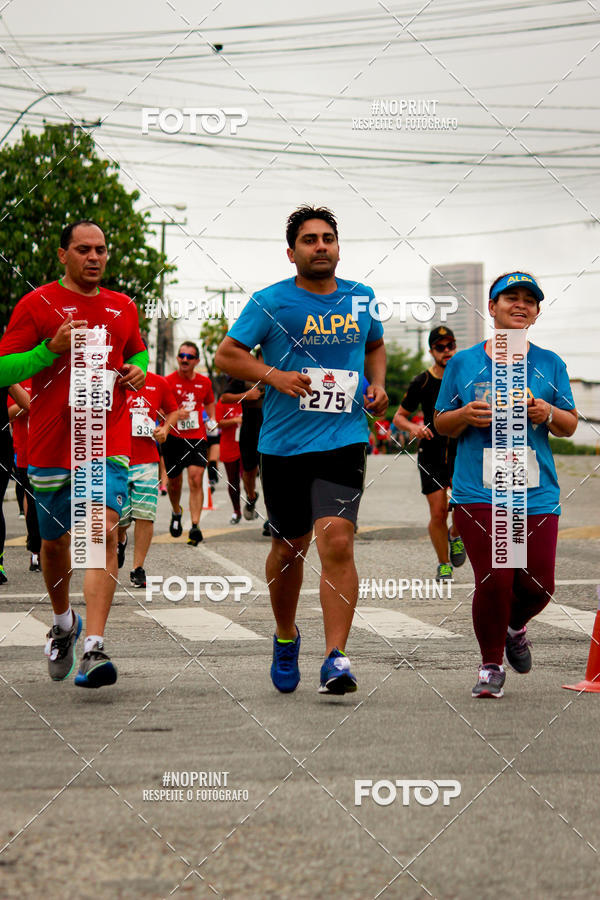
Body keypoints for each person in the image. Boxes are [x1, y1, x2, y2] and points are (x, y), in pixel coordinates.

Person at [215, 205, 387, 695]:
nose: (320, 246)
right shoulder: (270, 301)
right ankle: (286, 635)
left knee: (337, 540)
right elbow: (227, 355)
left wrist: (377, 384)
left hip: (343, 440)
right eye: (309, 240)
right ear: (291, 253)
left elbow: (374, 345)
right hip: (284, 445)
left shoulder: (361, 298)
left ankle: (336, 657)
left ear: (338, 247)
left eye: (328, 238)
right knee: (289, 549)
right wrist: (273, 376)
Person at [0, 219, 147, 688]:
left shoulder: (123, 306)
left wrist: (137, 371)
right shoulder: (36, 303)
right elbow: (4, 367)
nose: (94, 257)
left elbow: (137, 352)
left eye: (100, 249)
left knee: (101, 529)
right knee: (54, 544)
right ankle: (64, 623)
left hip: (106, 438)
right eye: (84, 249)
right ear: (63, 254)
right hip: (50, 443)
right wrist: (50, 349)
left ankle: (94, 648)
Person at [434, 272, 578, 699]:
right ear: (492, 307)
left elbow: (569, 424)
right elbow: (441, 422)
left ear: (536, 312)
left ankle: (514, 627)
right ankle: (491, 664)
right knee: (496, 578)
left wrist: (546, 411)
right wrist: (465, 416)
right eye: (509, 297)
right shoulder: (463, 362)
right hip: (480, 490)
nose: (519, 304)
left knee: (538, 586)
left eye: (528, 300)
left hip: (535, 491)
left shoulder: (549, 363)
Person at [393, 326, 466, 580]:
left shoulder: (465, 378)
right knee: (438, 512)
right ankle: (443, 563)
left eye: (450, 346)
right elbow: (399, 417)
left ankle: (455, 535)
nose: (447, 351)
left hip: (461, 451)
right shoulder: (421, 381)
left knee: (464, 508)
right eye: (440, 347)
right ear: (432, 351)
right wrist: (414, 428)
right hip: (431, 453)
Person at [117, 369, 178, 587]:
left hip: (147, 461)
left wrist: (165, 429)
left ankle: (138, 568)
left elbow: (173, 410)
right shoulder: (110, 379)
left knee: (145, 514)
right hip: (116, 459)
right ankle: (120, 539)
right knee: (120, 518)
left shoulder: (158, 383)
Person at [163, 342, 215, 546]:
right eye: (181, 355)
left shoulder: (205, 382)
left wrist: (211, 418)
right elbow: (159, 407)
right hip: (173, 437)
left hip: (196, 436)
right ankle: (177, 512)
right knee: (174, 482)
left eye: (189, 357)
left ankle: (195, 526)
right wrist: (174, 414)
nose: (185, 359)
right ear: (178, 358)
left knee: (196, 477)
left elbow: (209, 401)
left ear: (197, 361)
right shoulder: (167, 381)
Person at [220, 349, 267, 530]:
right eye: (264, 356)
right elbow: (225, 397)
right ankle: (251, 496)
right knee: (248, 472)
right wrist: (245, 395)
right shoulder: (245, 375)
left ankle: (272, 519)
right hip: (249, 430)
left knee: (270, 475)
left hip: (272, 431)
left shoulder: (281, 374)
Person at [8, 380, 42, 571]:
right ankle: (36, 548)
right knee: (32, 499)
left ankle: (53, 546)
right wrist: (29, 403)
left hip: (55, 451)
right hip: (26, 451)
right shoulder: (19, 378)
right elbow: (9, 413)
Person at [215, 396, 243, 524]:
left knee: (247, 477)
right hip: (229, 446)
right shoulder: (224, 401)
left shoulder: (249, 400)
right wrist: (235, 420)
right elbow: (218, 422)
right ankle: (237, 511)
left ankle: (251, 498)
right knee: (233, 481)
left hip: (246, 446)